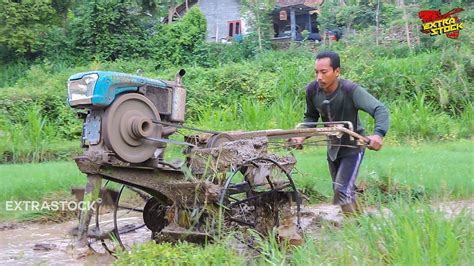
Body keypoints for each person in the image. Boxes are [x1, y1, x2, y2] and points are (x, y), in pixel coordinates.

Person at [289, 51, 389, 216]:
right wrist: (301, 135)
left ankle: (351, 229)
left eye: (324, 72)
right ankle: (362, 222)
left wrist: (378, 134)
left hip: (353, 147)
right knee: (343, 189)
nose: (319, 77)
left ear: (337, 72)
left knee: (341, 191)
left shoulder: (350, 90)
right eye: (316, 72)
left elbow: (379, 109)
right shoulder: (313, 91)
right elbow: (311, 118)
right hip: (333, 148)